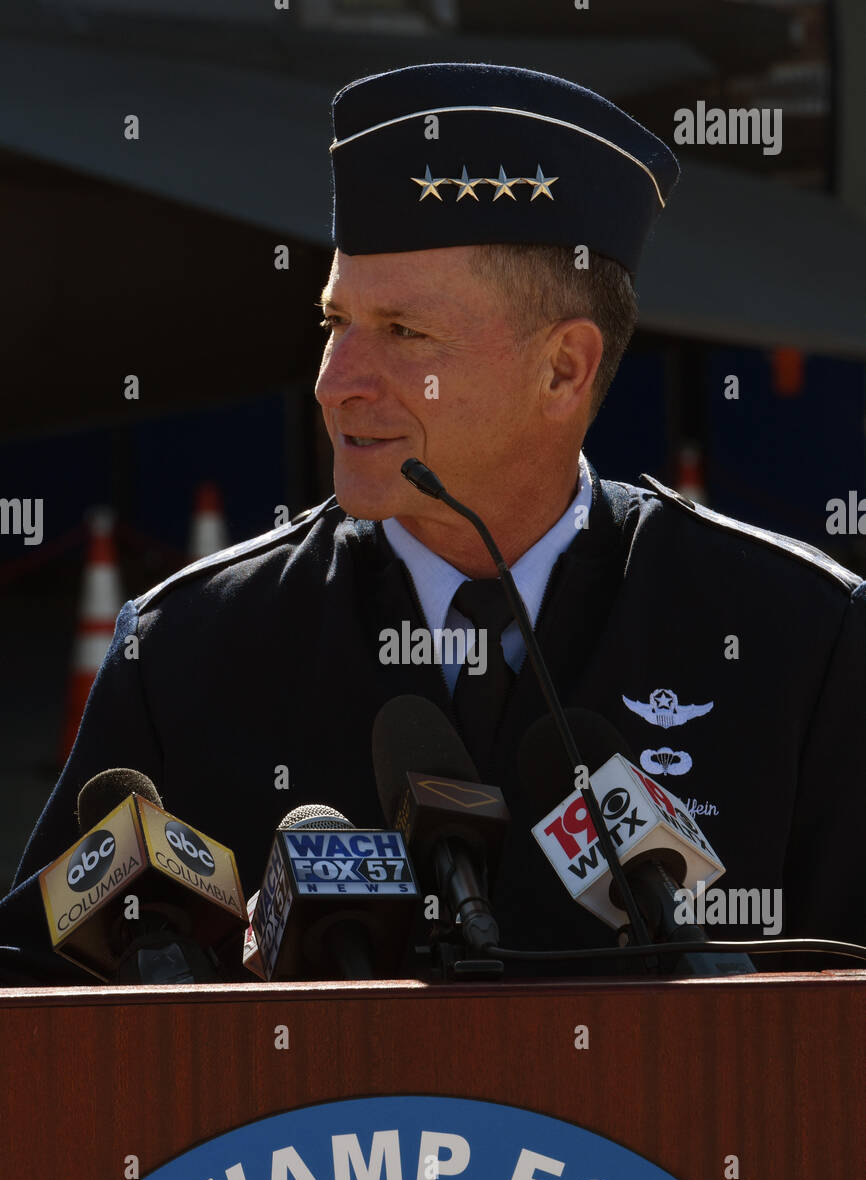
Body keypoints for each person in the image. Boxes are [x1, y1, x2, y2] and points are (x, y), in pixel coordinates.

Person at [2, 62, 865, 981]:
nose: (337, 382)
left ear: (565, 371)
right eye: (337, 322)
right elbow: (33, 1007)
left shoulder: (797, 642)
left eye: (406, 334)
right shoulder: (189, 650)